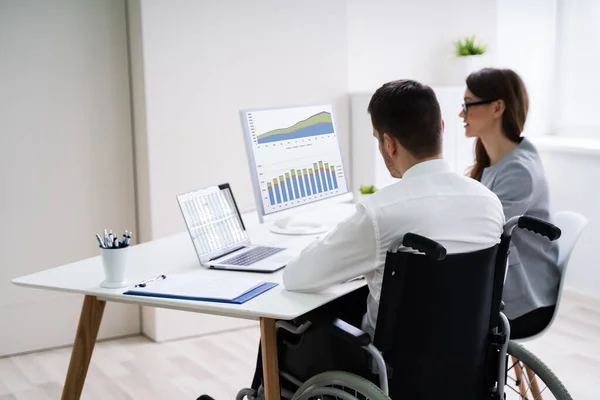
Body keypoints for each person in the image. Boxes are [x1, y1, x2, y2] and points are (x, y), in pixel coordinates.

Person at [198, 80, 505, 400]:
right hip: (466, 365)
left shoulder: (381, 213)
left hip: (386, 371)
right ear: (440, 127)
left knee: (286, 325)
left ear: (389, 143)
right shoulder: (488, 202)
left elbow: (297, 277)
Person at [459, 67, 560, 339]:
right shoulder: (496, 161)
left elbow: (480, 234)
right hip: (509, 288)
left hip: (524, 303)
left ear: (497, 108)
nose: (461, 114)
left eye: (468, 105)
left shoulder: (519, 170)